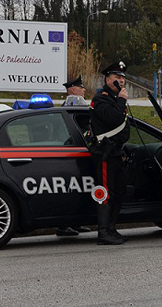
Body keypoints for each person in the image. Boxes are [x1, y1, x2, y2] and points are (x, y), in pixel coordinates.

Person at [89, 61, 130, 245]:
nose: (121, 81)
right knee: (105, 192)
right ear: (108, 79)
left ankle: (112, 229)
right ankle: (103, 232)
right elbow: (113, 118)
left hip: (117, 153)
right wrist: (121, 100)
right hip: (105, 153)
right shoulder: (101, 98)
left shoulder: (115, 98)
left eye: (122, 78)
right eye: (117, 78)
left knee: (119, 191)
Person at [56, 75, 92, 237]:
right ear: (71, 90)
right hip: (71, 151)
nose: (84, 89)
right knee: (73, 188)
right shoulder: (75, 102)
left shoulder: (72, 102)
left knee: (78, 189)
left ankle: (74, 222)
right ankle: (65, 225)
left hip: (70, 150)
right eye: (80, 87)